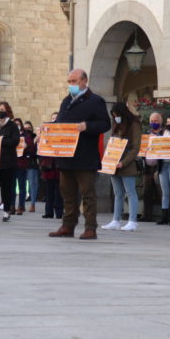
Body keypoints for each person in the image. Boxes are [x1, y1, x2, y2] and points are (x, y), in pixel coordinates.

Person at [49, 69, 111, 240]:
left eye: (74, 81)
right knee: (67, 194)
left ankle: (90, 228)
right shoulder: (66, 101)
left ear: (84, 81)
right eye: (69, 82)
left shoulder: (95, 100)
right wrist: (48, 132)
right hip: (66, 156)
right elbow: (60, 124)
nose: (71, 85)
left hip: (85, 156)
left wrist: (88, 126)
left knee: (87, 194)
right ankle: (68, 226)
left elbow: (105, 124)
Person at [100, 102, 141, 232]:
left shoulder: (134, 124)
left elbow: (136, 147)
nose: (116, 117)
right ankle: (116, 220)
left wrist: (124, 162)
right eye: (114, 116)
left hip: (126, 163)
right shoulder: (116, 124)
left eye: (117, 115)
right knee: (118, 193)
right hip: (114, 162)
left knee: (130, 192)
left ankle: (132, 221)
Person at [0, 101, 20, 222]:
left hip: (8, 162)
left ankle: (6, 210)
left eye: (2, 110)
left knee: (6, 188)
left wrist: (1, 140)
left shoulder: (12, 125)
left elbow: (15, 141)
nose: (0, 112)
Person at [20, 122, 39, 213]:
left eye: (29, 127)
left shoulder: (35, 137)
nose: (27, 129)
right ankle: (22, 204)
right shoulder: (20, 137)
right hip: (22, 163)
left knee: (32, 184)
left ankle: (32, 204)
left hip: (32, 163)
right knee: (22, 184)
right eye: (25, 127)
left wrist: (34, 143)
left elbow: (37, 151)